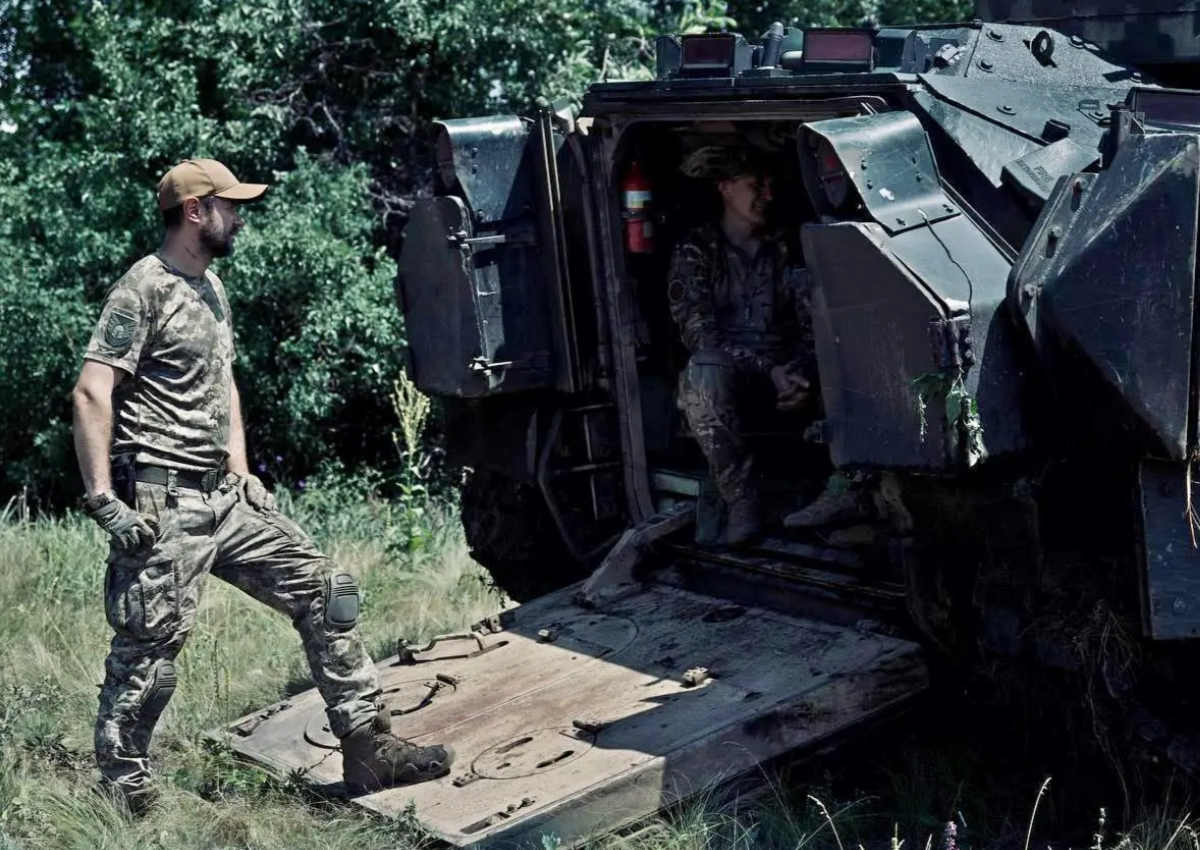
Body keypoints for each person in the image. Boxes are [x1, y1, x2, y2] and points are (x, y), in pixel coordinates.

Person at [71, 158, 454, 815]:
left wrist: (243, 470)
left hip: (224, 497)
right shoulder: (144, 287)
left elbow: (226, 383)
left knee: (326, 588)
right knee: (148, 654)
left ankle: (367, 748)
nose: (239, 216)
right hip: (163, 502)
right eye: (230, 205)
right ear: (196, 211)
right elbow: (91, 389)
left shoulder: (211, 288)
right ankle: (123, 793)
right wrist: (104, 499)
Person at [668, 145, 815, 544]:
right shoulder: (696, 252)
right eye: (756, 186)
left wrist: (798, 373)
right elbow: (702, 337)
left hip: (789, 379)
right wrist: (769, 372)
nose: (767, 195)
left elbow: (813, 325)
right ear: (726, 188)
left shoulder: (787, 247)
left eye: (769, 186)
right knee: (702, 375)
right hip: (734, 382)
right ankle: (740, 500)